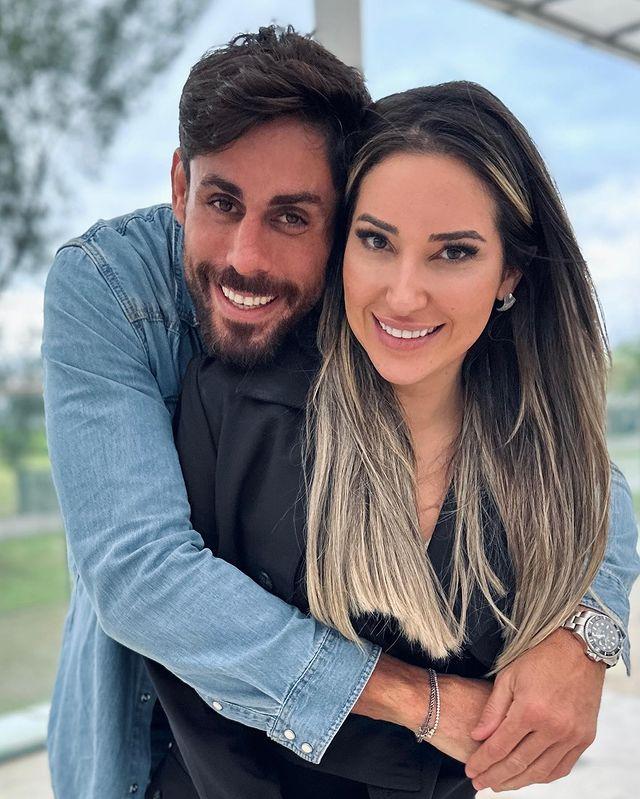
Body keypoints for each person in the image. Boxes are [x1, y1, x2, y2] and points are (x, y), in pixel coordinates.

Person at [41, 27, 639, 799]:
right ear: (180, 186)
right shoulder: (113, 290)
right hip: (142, 748)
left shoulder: (420, 357)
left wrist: (582, 631)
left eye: (293, 216)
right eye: (222, 201)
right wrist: (424, 704)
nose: (247, 258)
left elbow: (582, 476)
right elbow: (140, 572)